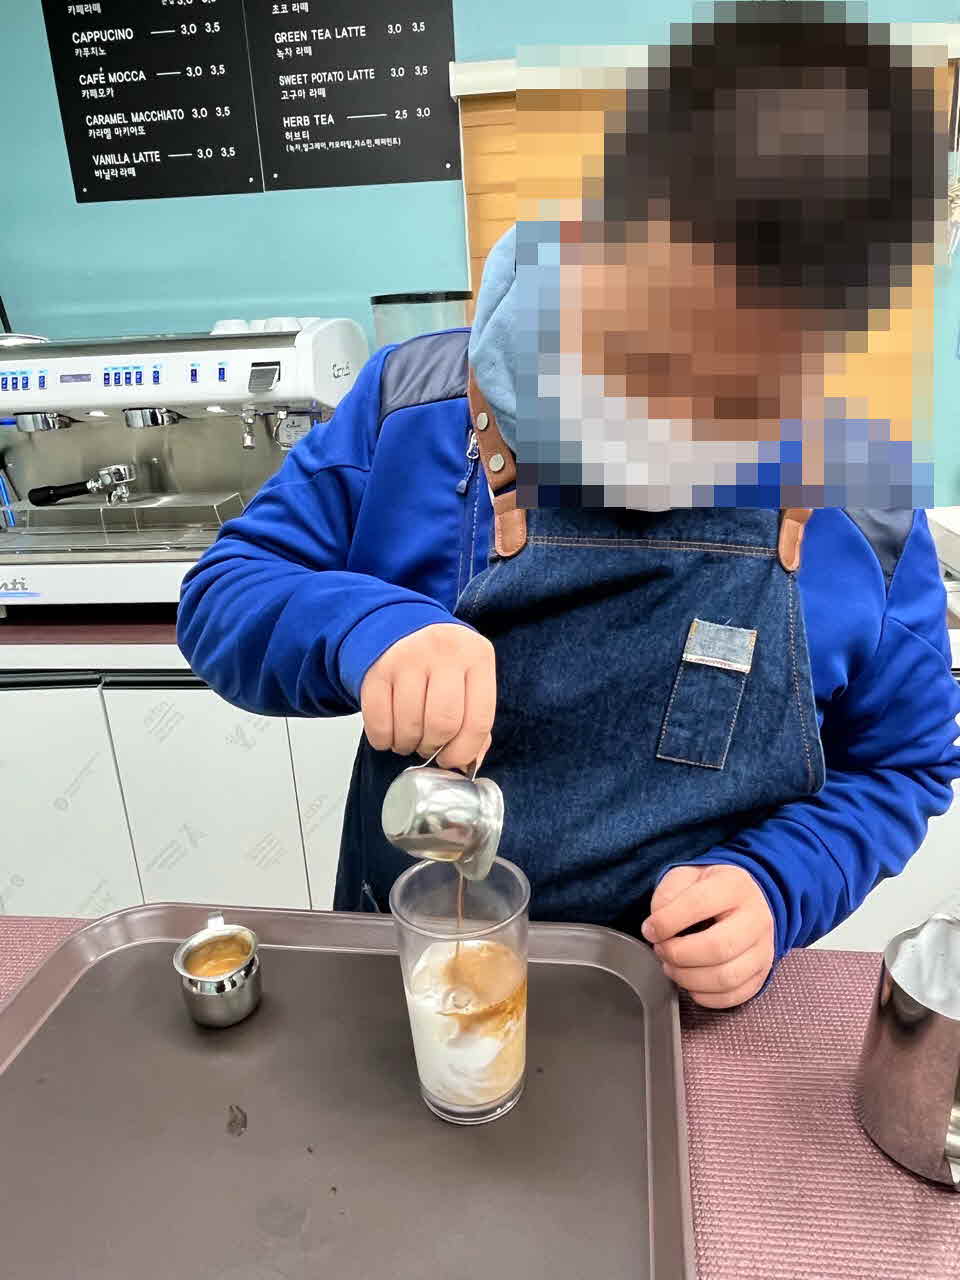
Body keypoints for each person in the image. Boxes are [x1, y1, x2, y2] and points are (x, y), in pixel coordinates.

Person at [177, 5, 960, 1008]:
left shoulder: (864, 500)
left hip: (670, 1011)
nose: (680, 428)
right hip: (410, 975)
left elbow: (900, 766)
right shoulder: (412, 406)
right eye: (651, 359)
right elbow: (225, 594)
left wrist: (778, 885)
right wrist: (363, 628)